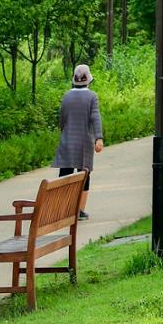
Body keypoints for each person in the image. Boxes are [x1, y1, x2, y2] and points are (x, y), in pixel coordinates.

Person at [52, 64, 103, 221]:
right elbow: (95, 117)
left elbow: (62, 118)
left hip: (67, 140)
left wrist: (64, 132)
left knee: (65, 175)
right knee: (84, 175)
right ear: (88, 80)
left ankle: (63, 210)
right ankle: (79, 211)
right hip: (84, 142)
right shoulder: (92, 96)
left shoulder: (66, 96)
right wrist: (98, 138)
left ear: (74, 80)